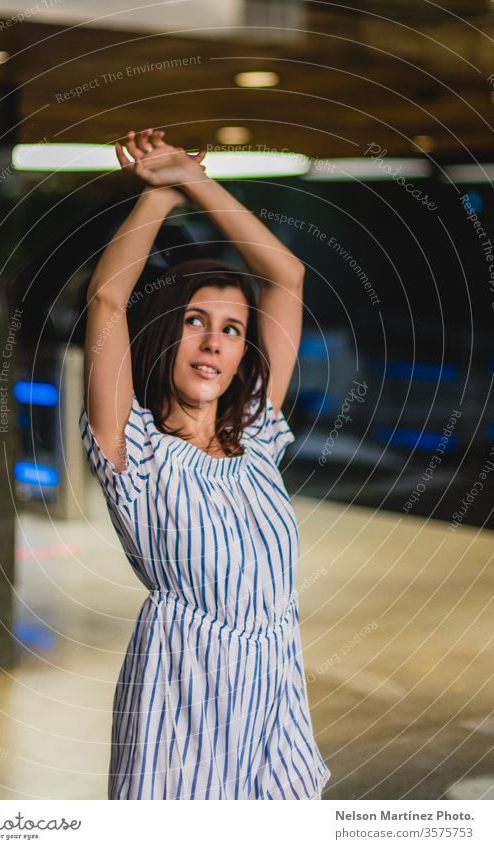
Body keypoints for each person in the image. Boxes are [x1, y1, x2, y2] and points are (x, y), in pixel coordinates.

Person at [79, 127, 331, 800]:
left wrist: (195, 179)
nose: (213, 342)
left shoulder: (257, 437)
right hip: (180, 702)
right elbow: (107, 300)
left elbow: (287, 275)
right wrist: (159, 191)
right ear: (166, 330)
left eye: (231, 328)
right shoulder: (134, 450)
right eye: (194, 320)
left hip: (274, 694)